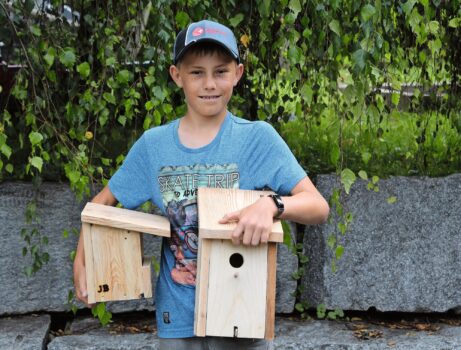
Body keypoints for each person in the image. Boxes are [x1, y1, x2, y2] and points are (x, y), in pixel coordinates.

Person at [73, 19, 330, 350]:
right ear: (176, 75)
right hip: (177, 320)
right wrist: (83, 262)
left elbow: (318, 207)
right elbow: (100, 205)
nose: (210, 83)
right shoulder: (154, 147)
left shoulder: (258, 139)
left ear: (237, 73)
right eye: (197, 72)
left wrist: (272, 205)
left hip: (240, 315)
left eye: (220, 71)